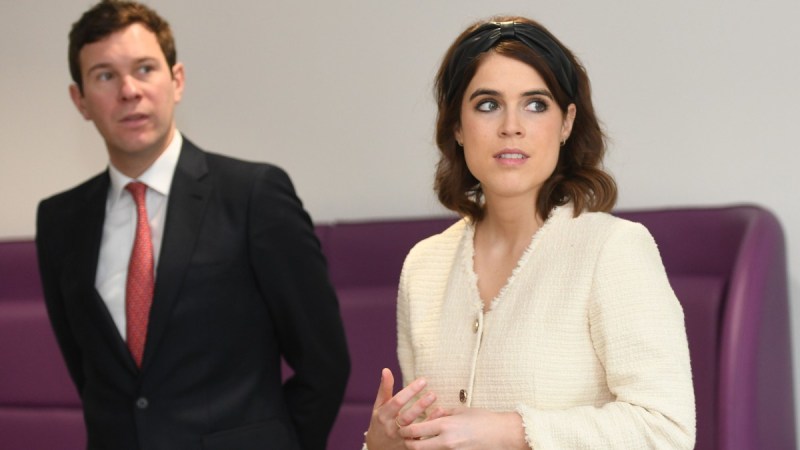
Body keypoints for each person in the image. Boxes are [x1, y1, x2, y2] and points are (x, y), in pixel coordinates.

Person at [365, 16, 695, 449]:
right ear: (457, 126)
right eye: (487, 104)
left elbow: (666, 431)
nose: (511, 126)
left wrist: (512, 431)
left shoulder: (614, 249)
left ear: (566, 123)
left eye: (536, 104)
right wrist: (386, 444)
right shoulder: (424, 265)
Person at [35, 1, 349, 449]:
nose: (129, 90)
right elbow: (88, 374)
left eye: (144, 69)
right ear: (80, 100)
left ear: (176, 80)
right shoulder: (60, 220)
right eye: (105, 75)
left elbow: (325, 362)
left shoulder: (253, 195)